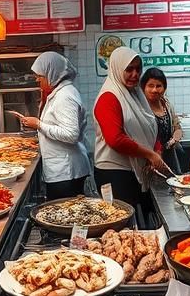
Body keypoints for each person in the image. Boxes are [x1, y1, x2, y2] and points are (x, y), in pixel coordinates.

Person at [93, 47, 165, 208]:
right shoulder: (109, 97)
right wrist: (150, 154)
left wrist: (157, 151)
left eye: (138, 69)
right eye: (129, 69)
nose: (135, 74)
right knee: (121, 222)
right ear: (117, 68)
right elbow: (115, 140)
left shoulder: (135, 94)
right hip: (114, 173)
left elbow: (150, 127)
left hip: (136, 170)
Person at [14, 52, 90, 200]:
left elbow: (71, 134)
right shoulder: (59, 92)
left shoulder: (65, 96)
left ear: (52, 73)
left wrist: (39, 125)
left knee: (66, 218)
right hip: (61, 170)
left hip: (67, 173)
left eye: (40, 76)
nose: (37, 79)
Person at [141, 68, 184, 174]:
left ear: (164, 88)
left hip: (170, 157)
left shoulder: (166, 104)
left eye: (158, 86)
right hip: (150, 159)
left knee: (175, 186)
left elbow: (177, 126)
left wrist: (174, 139)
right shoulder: (141, 109)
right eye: (150, 86)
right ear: (143, 88)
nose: (155, 90)